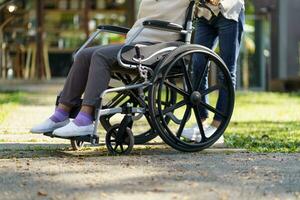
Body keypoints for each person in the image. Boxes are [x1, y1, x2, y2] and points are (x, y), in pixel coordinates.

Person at [31, 0, 191, 137]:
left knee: (101, 56)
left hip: (159, 46)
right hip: (136, 43)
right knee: (84, 55)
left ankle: (85, 119)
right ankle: (61, 114)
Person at [182, 0, 245, 144]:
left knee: (226, 72)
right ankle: (201, 123)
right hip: (205, 14)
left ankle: (217, 128)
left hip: (229, 11)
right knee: (197, 66)